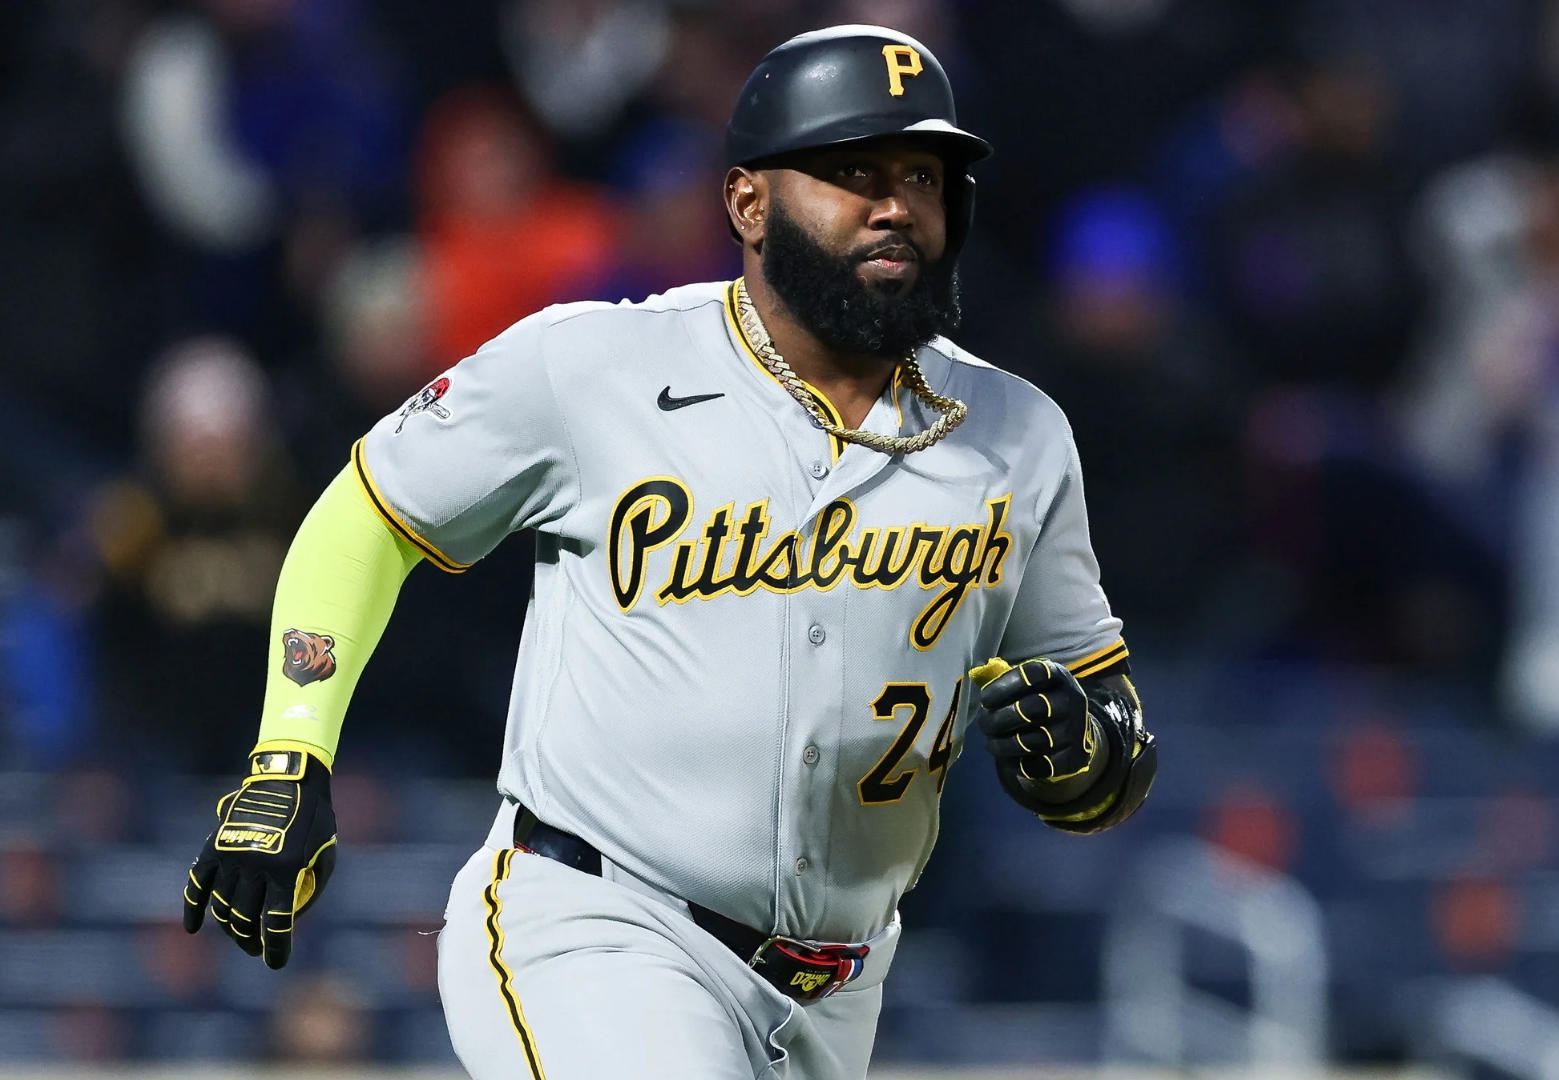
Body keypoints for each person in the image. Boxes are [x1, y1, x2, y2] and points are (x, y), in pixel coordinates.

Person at [177, 25, 1158, 1080]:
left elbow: (1105, 724)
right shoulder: (596, 365)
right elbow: (366, 514)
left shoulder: (1016, 434)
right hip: (597, 924)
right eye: (850, 172)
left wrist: (1086, 761)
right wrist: (292, 753)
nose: (896, 206)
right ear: (747, 204)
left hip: (839, 988)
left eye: (924, 175)